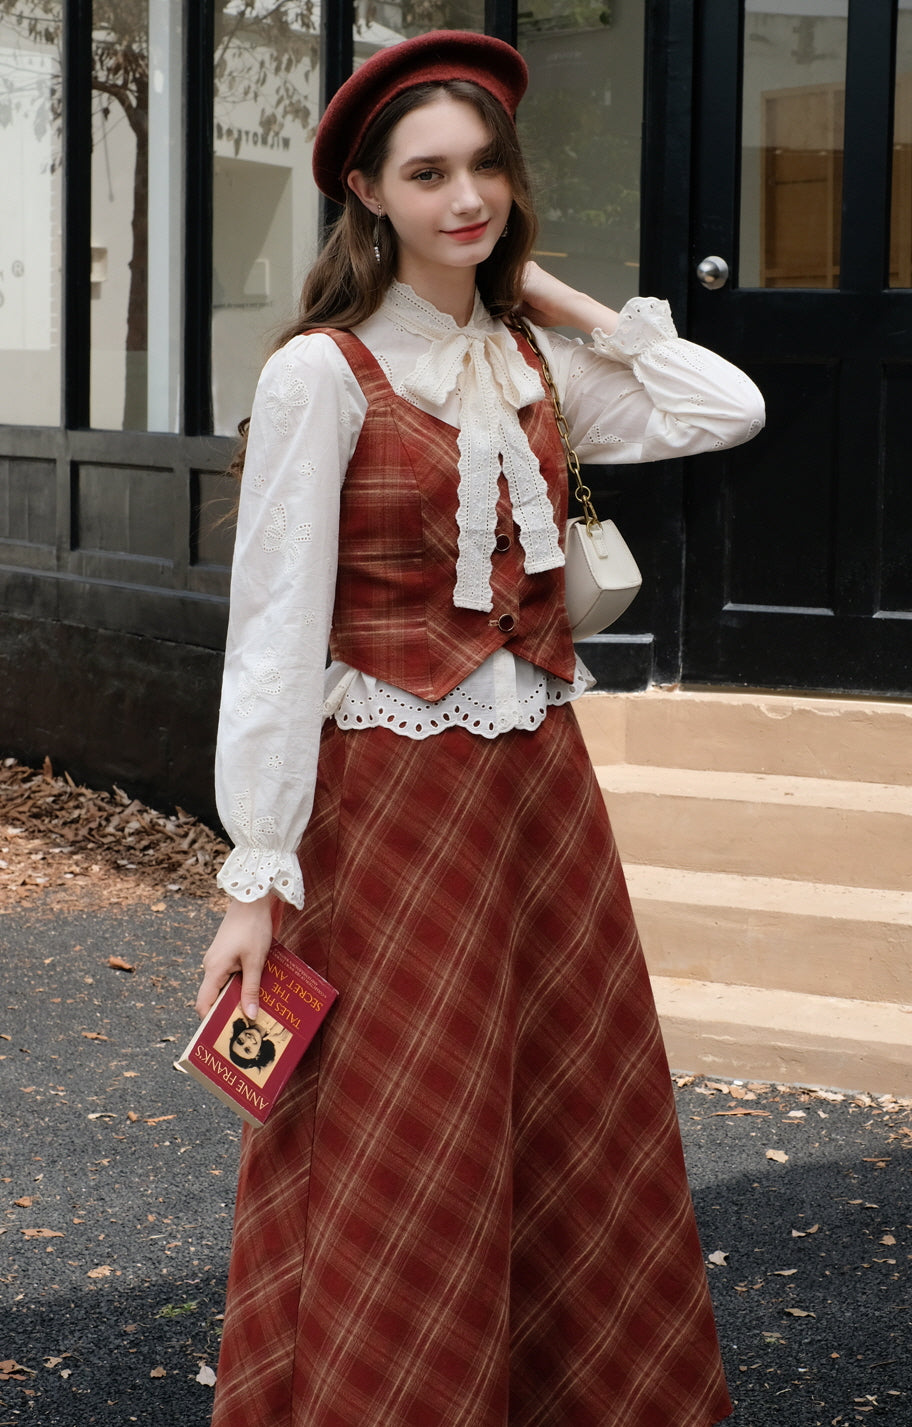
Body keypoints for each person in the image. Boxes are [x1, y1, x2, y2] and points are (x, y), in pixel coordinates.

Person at [196, 29, 764, 1427]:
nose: (467, 196)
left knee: (558, 1104)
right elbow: (272, 631)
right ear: (369, 196)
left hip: (536, 795)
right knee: (414, 1115)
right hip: (388, 799)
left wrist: (560, 305)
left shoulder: (524, 364)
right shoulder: (319, 376)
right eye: (429, 172)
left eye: (486, 168)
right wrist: (257, 867)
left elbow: (722, 407)